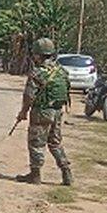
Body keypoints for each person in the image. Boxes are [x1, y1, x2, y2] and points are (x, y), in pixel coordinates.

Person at [14, 38, 72, 186]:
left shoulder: (37, 72)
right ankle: (66, 173)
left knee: (36, 143)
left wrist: (23, 112)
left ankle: (35, 175)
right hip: (57, 112)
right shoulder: (61, 71)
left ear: (39, 55)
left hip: (42, 112)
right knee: (55, 142)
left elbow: (29, 95)